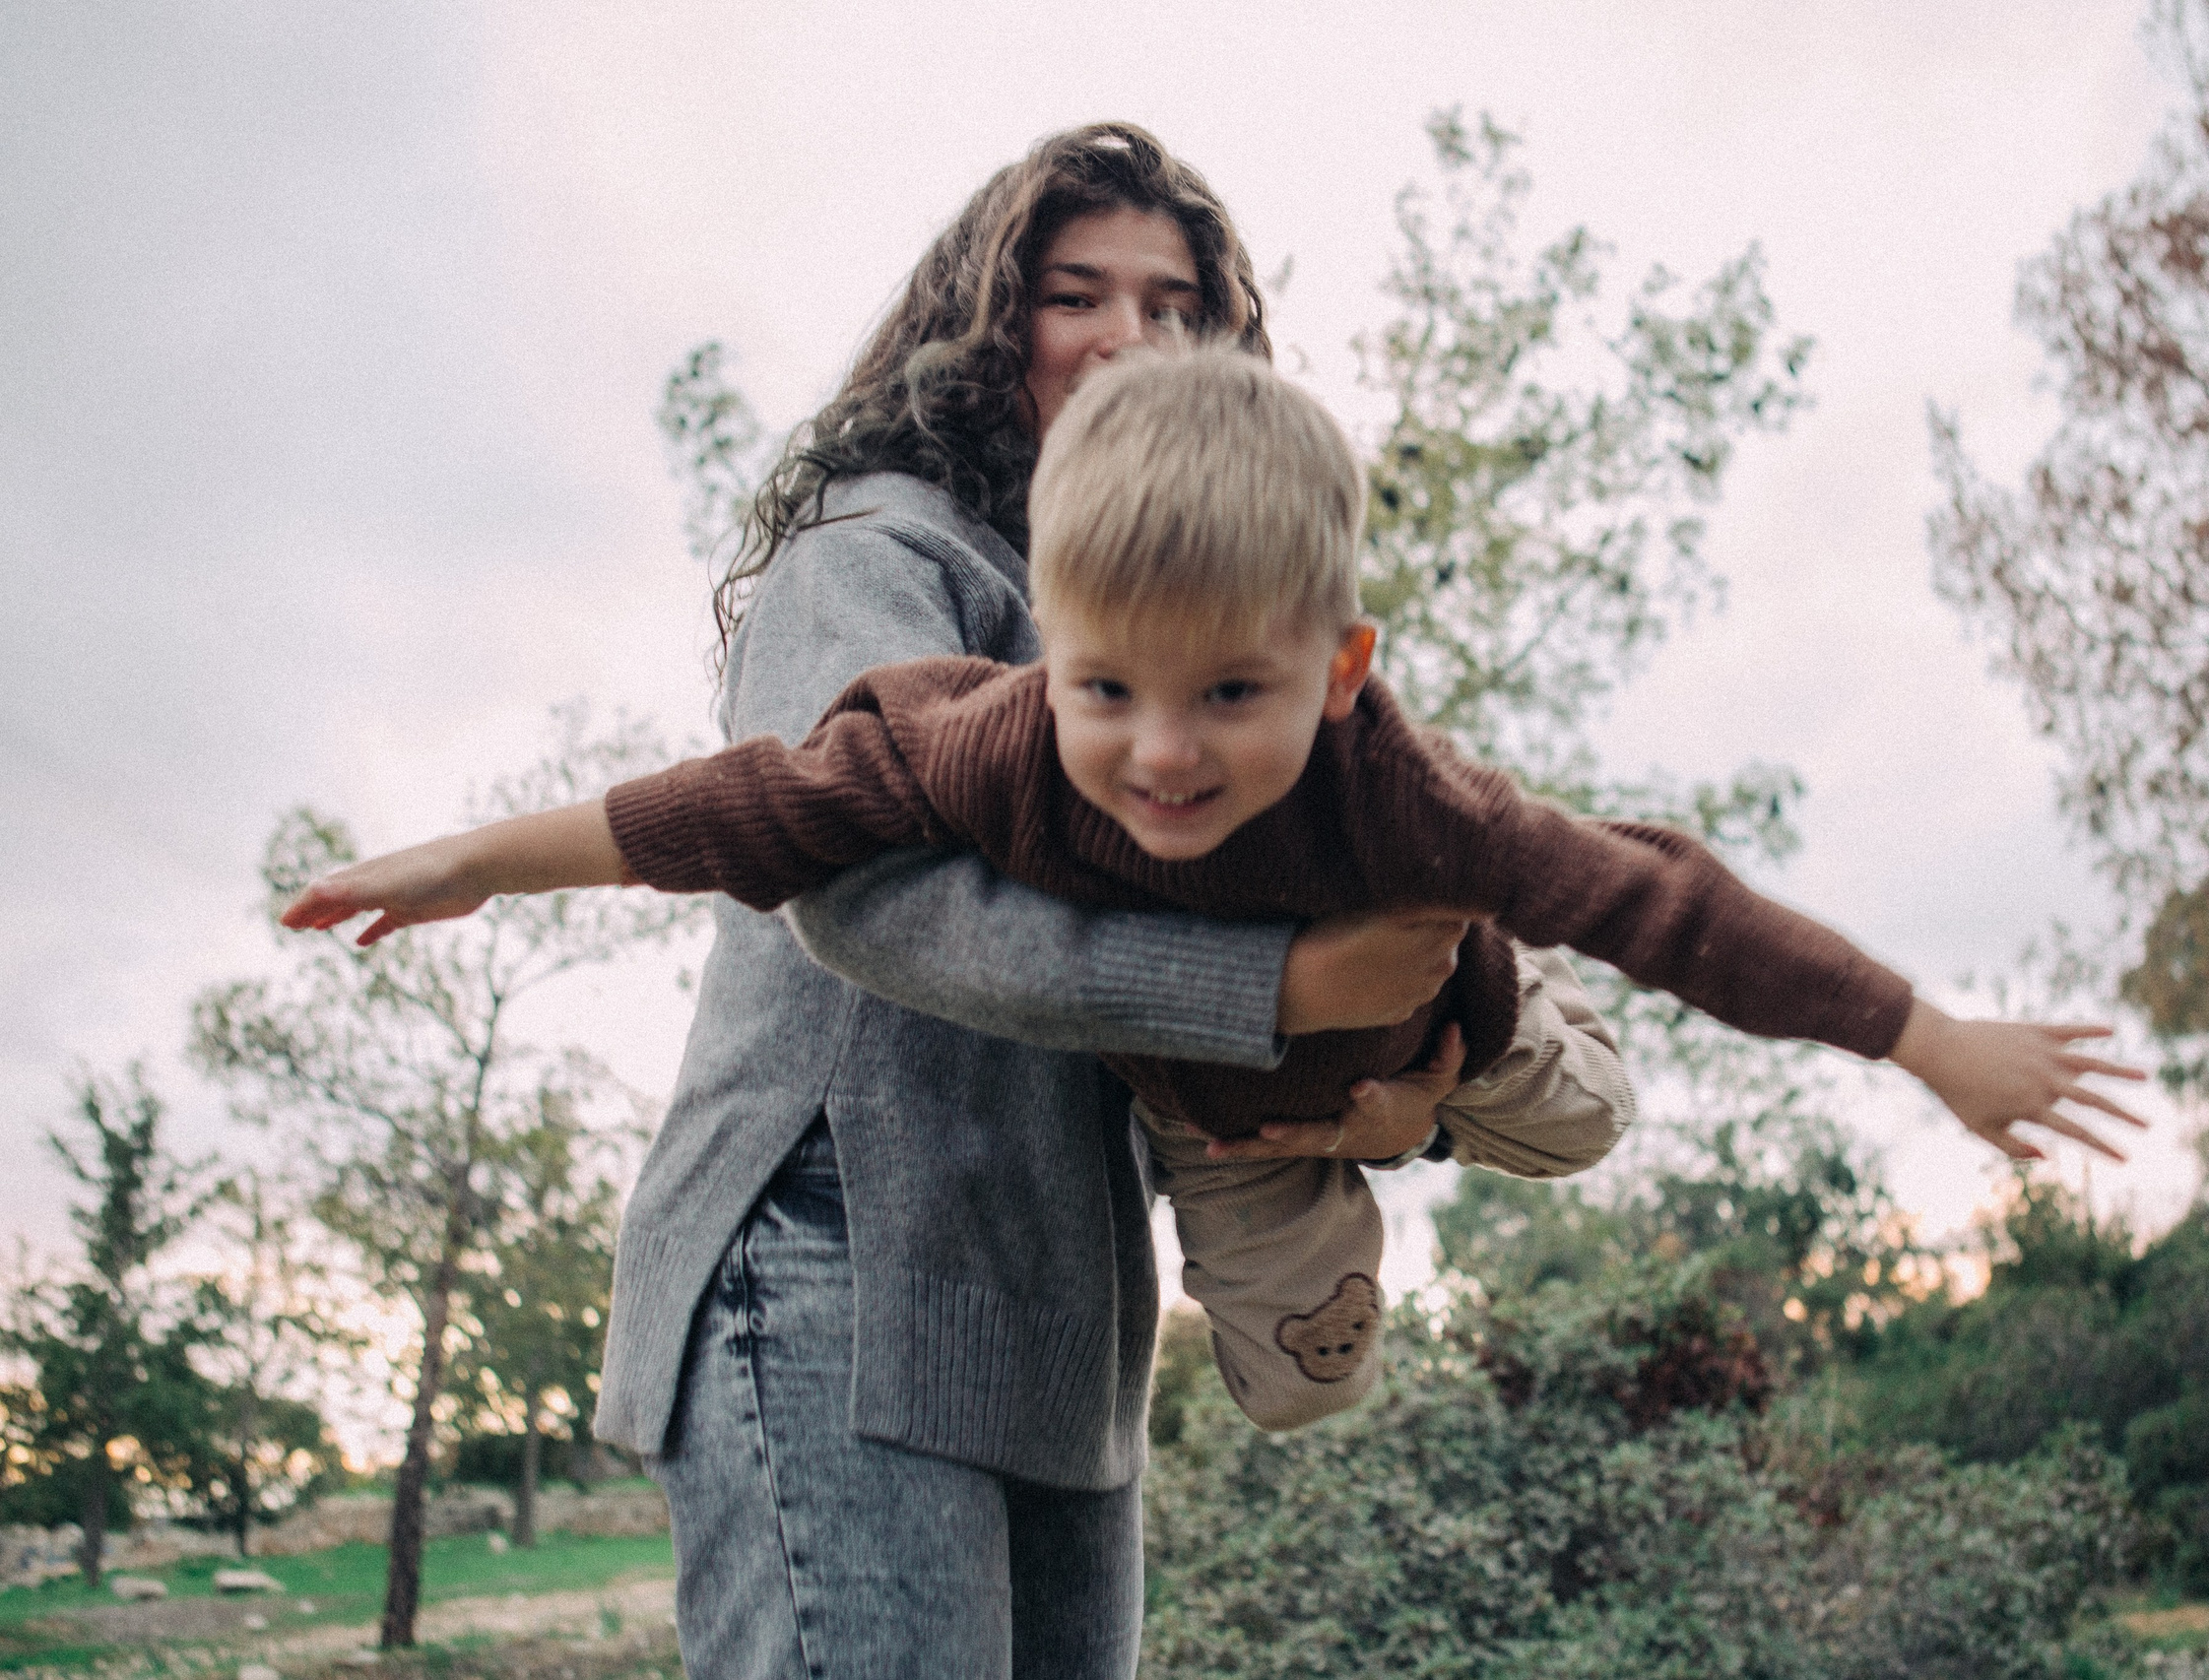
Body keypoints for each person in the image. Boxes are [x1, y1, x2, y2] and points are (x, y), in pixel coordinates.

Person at [287, 124, 1665, 1680]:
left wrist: (1389, 1106)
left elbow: (1231, 974)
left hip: (1067, 1321)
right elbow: (865, 903)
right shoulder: (880, 547)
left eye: (1175, 307)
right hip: (829, 1266)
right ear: (987, 321)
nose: (1130, 336)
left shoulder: (1174, 633)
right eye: (1078, 294)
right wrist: (1278, 992)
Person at [290, 349, 2151, 1441]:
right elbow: (732, 812)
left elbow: (1676, 907)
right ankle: (1353, 1145)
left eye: (1231, 696)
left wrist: (1927, 1038)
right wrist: (471, 860)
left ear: (1338, 669)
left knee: (1585, 1114)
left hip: (1437, 1000)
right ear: (1046, 641)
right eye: (1108, 687)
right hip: (1224, 1104)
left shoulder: (1406, 796)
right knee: (1301, 1390)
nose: (1162, 754)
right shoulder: (984, 744)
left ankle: (1495, 1042)